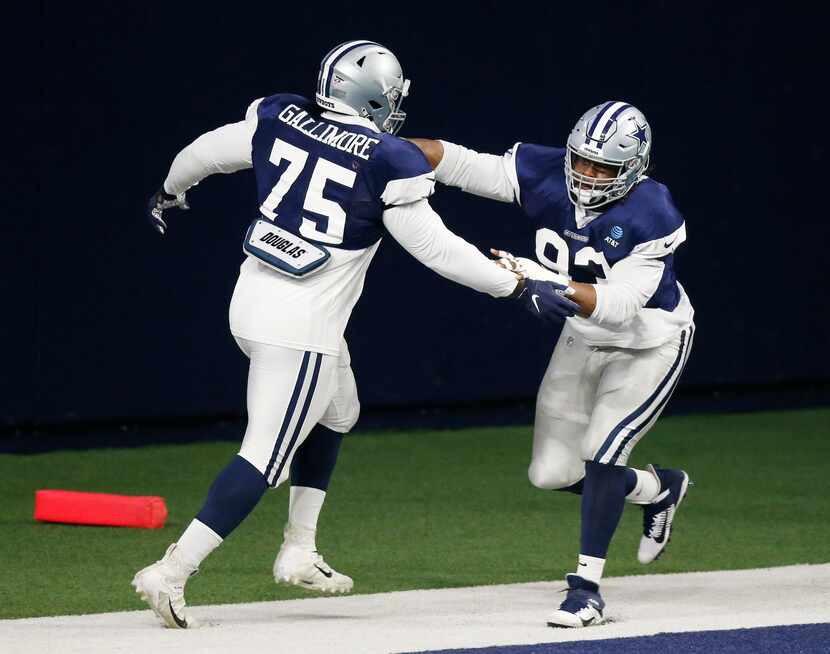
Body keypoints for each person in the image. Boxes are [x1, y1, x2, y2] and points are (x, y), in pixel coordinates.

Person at [132, 40, 565, 629]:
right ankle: (172, 572)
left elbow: (206, 153)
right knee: (262, 455)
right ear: (373, 99)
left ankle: (299, 549)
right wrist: (514, 287)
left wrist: (169, 188)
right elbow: (435, 248)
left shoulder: (281, 115)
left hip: (253, 302)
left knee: (339, 411)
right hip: (300, 328)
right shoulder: (387, 157)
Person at [410, 100, 695, 628]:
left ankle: (586, 591)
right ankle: (660, 488)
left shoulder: (652, 211)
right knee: (550, 473)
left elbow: (620, 303)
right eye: (581, 162)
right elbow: (464, 164)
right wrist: (392, 153)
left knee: (602, 452)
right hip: (582, 337)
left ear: (634, 169)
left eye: (602, 168)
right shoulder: (545, 171)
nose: (586, 176)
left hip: (649, 342)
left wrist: (540, 281)